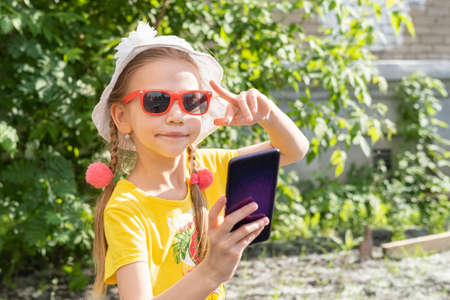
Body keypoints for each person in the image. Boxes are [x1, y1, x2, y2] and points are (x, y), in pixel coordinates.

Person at [87, 22, 309, 300]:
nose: (177, 115)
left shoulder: (210, 166)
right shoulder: (126, 209)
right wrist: (211, 272)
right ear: (121, 117)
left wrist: (267, 114)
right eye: (157, 102)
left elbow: (293, 150)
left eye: (192, 101)